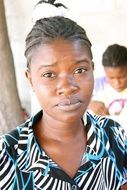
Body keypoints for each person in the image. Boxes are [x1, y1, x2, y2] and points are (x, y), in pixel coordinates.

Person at [0, 1, 127, 189]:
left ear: (93, 70)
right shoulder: (7, 155)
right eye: (49, 74)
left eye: (80, 70)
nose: (67, 87)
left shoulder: (113, 134)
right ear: (30, 79)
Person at [88, 44, 127, 131]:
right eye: (111, 78)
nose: (117, 83)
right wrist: (88, 104)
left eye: (122, 77)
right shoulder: (97, 85)